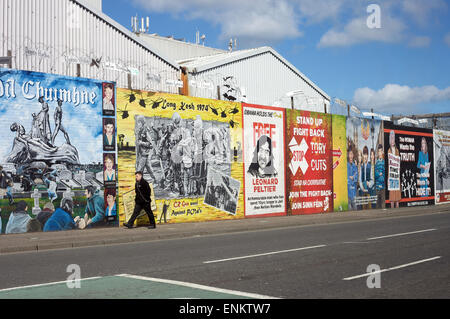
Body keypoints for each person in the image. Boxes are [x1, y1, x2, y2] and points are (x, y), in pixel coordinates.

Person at [388, 130, 401, 208]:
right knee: (392, 192)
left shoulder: (397, 150)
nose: (392, 140)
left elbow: (398, 163)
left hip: (396, 173)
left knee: (397, 191)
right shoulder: (389, 150)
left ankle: (397, 208)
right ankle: (392, 208)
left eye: (393, 138)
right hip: (391, 173)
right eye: (391, 138)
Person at [374, 144, 385, 209]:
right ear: (378, 153)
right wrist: (379, 174)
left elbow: (384, 173)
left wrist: (381, 175)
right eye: (379, 151)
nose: (380, 153)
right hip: (378, 187)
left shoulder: (384, 162)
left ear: (382, 152)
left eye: (381, 151)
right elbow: (375, 174)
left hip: (383, 186)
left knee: (383, 203)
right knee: (378, 204)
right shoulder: (377, 163)